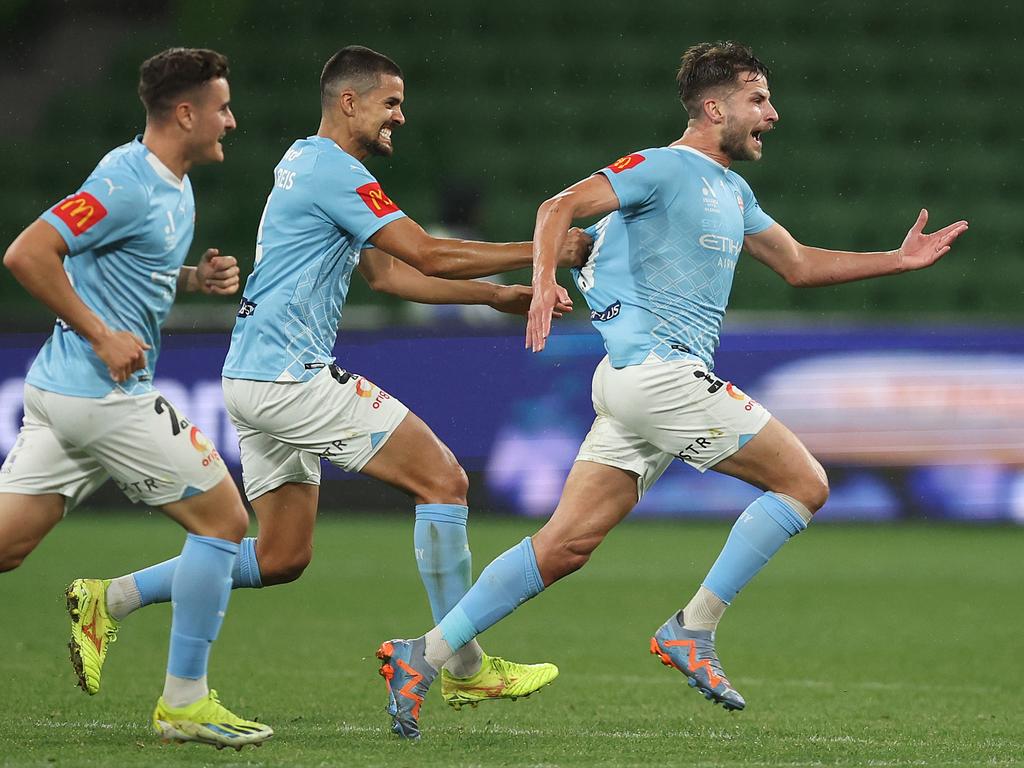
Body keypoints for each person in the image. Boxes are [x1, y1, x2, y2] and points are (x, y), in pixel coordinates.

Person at [375, 40, 970, 738]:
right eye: (758, 99)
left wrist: (897, 262)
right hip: (661, 377)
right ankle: (694, 627)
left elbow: (800, 264)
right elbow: (556, 208)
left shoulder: (733, 190)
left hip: (638, 388)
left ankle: (425, 654)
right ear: (714, 107)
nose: (772, 114)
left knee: (565, 545)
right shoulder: (660, 168)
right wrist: (541, 282)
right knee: (805, 483)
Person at [69, 45, 590, 720]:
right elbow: (426, 251)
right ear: (350, 102)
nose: (399, 117)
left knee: (282, 555)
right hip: (291, 377)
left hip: (251, 376)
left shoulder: (304, 162)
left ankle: (106, 600)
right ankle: (461, 664)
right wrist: (544, 249)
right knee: (445, 481)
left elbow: (389, 275)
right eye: (391, 103)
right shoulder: (335, 172)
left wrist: (495, 297)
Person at [0, 48, 273, 749]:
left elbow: (122, 263)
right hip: (102, 394)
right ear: (185, 113)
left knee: (7, 545)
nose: (231, 121)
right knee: (223, 521)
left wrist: (190, 278)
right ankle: (185, 702)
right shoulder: (124, 179)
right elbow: (28, 252)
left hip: (66, 394)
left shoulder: (171, 182)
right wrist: (99, 334)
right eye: (221, 108)